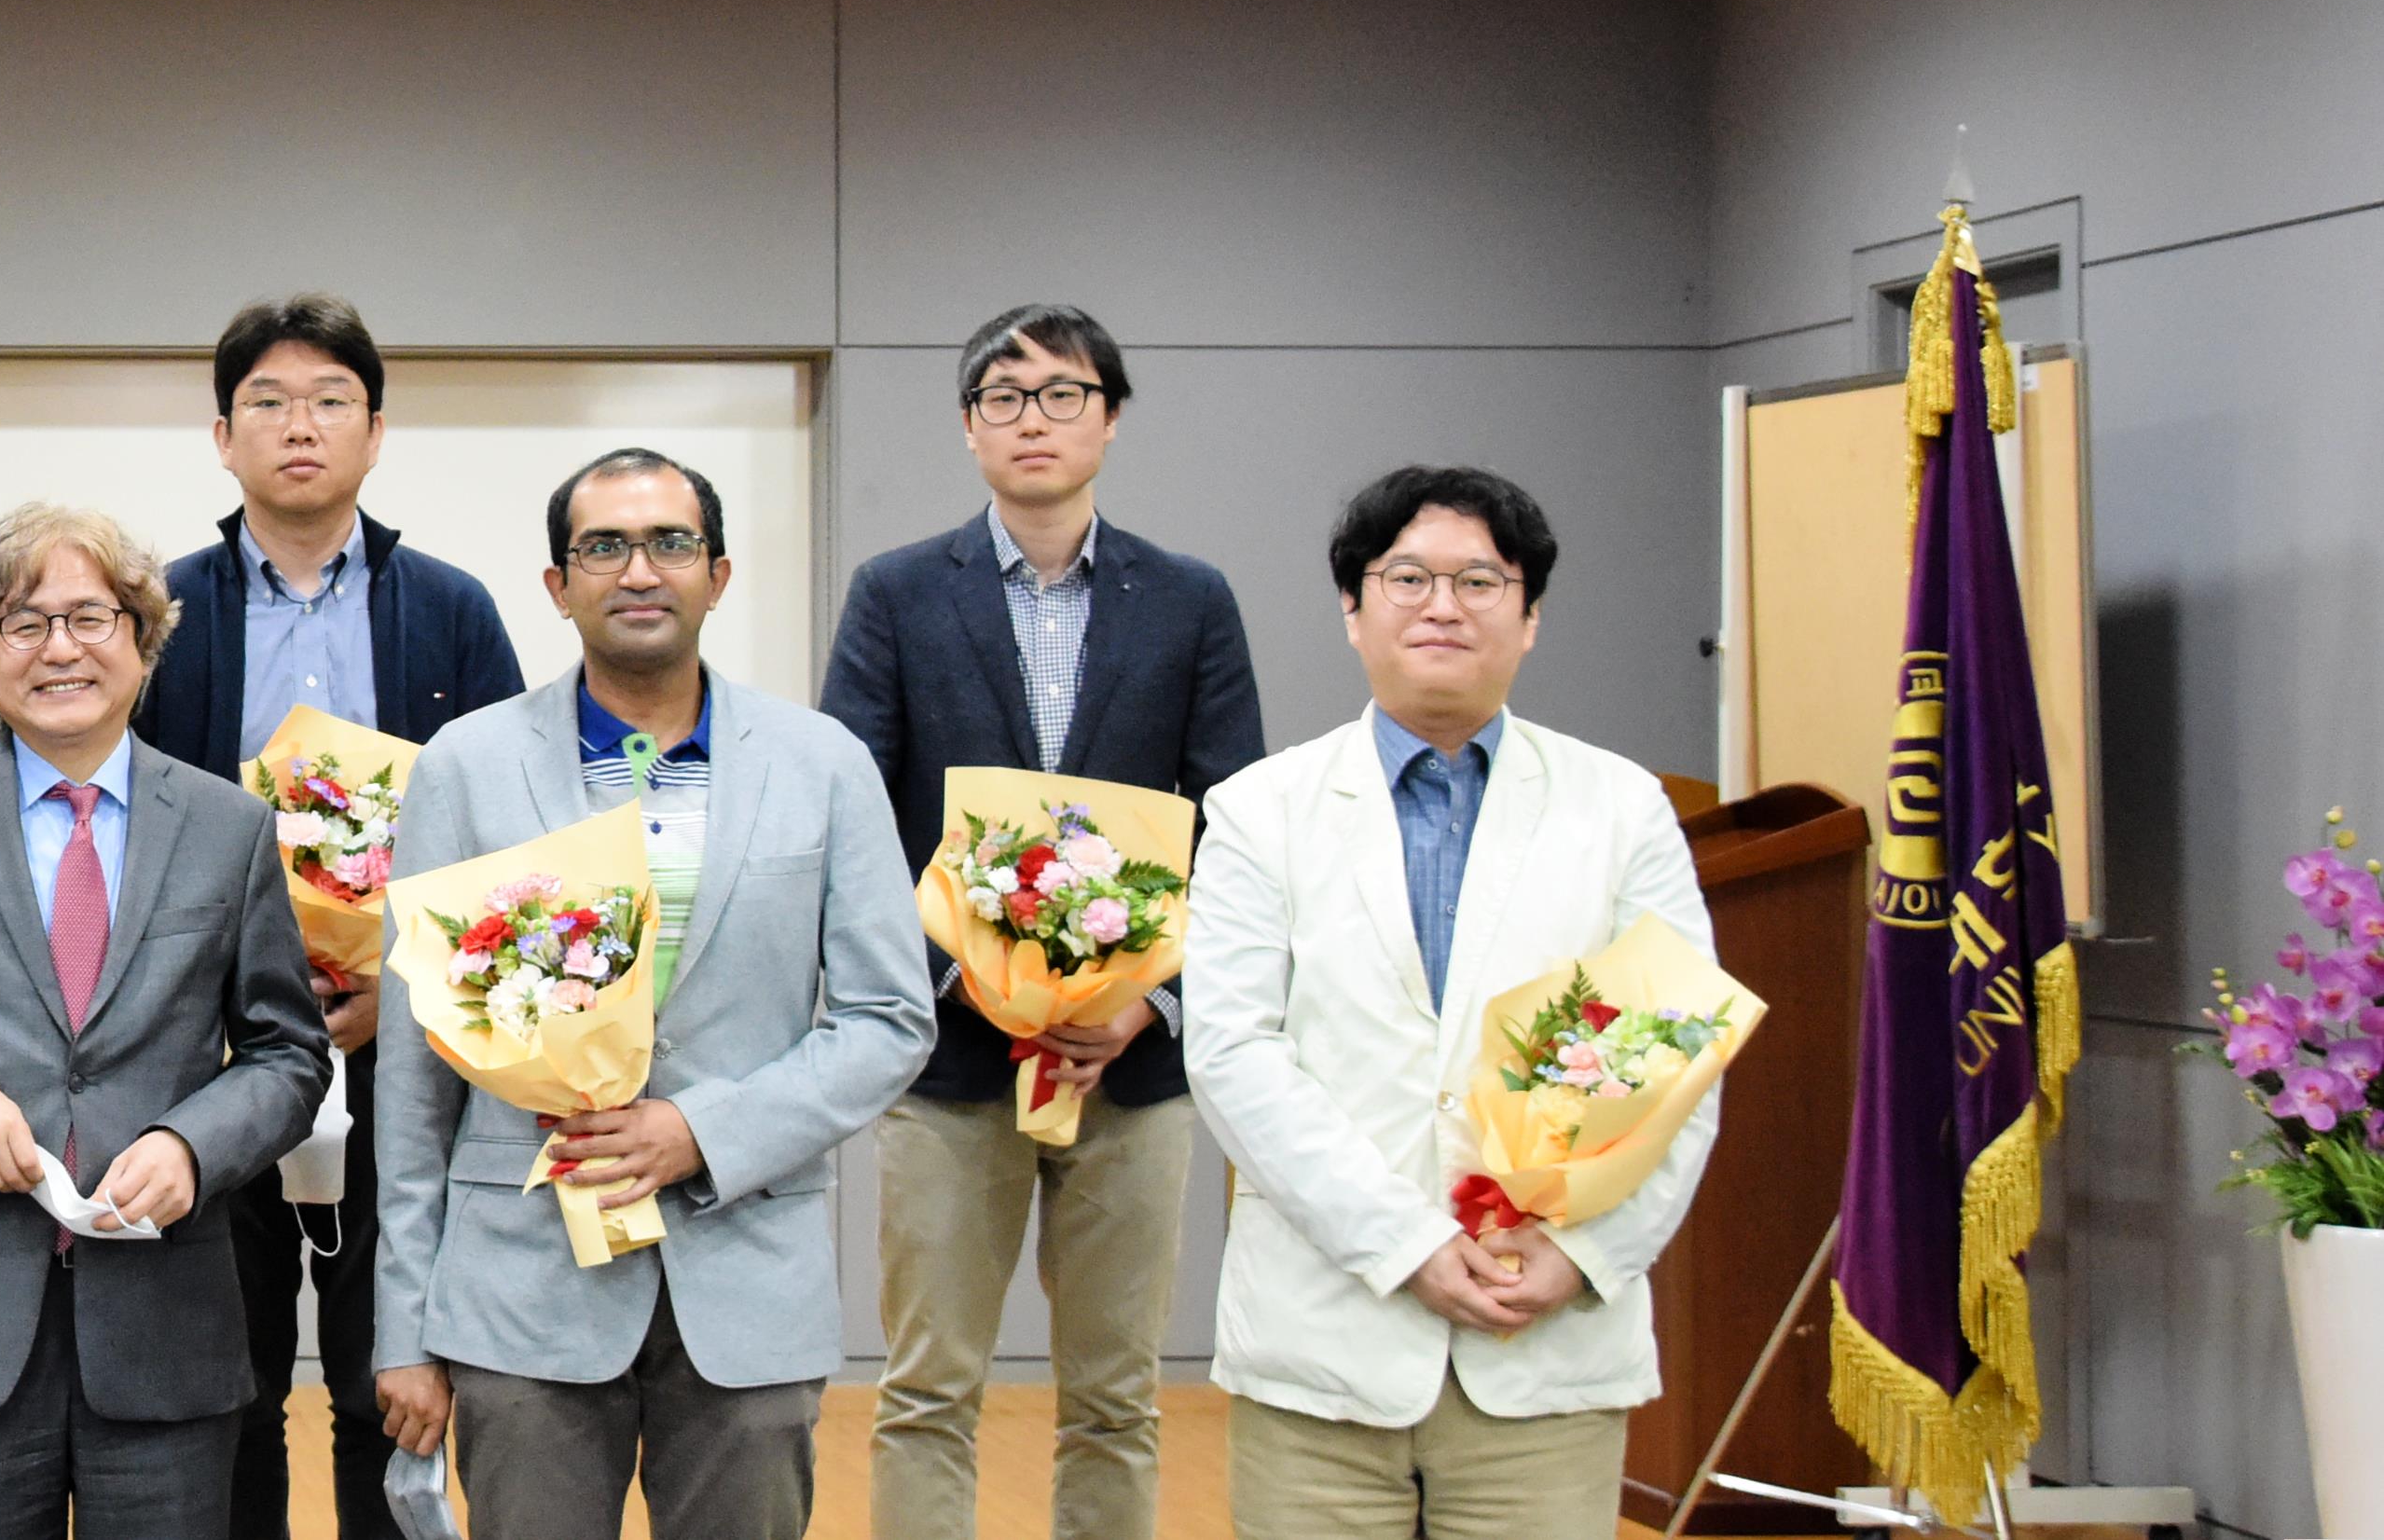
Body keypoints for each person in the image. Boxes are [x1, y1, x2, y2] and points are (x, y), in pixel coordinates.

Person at [368, 450, 931, 1540]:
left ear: (717, 574)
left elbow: (887, 1016)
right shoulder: (465, 765)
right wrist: (403, 1323)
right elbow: (413, 1072)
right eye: (603, 546)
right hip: (519, 1286)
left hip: (746, 1275)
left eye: (670, 542)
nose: (638, 570)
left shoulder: (821, 761)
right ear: (557, 584)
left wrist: (701, 1130)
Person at [1184, 467, 1719, 1540]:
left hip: (1542, 1344)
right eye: (1407, 577)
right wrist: (1404, 1243)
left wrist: (1582, 1258)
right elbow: (1234, 1055)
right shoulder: (1257, 809)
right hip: (1323, 1350)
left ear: (1529, 616)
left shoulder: (1619, 807)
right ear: (1351, 607)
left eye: (1478, 580)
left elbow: (1679, 1060)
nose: (1441, 604)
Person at [0, 502, 335, 1540]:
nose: (59, 648)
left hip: (167, 1319)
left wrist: (193, 1143)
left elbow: (287, 1051)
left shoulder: (228, 826)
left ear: (142, 639)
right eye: (22, 622)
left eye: (90, 616)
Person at [820, 303, 1264, 1540]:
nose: (1034, 419)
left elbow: (1233, 824)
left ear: (1108, 419)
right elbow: (854, 813)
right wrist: (960, 973)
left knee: (1117, 1395)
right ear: (968, 427)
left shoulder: (1189, 598)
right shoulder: (898, 591)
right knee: (926, 1387)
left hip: (1134, 1066)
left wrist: (1148, 1001)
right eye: (1004, 396)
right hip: (952, 1056)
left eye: (1063, 393)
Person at [129, 291, 524, 1540]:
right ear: (222, 435)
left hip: (404, 1041)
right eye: (267, 401)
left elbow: (507, 832)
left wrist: (392, 989)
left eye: (329, 400)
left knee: (386, 1380)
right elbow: (124, 816)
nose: (299, 425)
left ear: (375, 430)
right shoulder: (160, 611)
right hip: (210, 1050)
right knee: (228, 1382)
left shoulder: (452, 607)